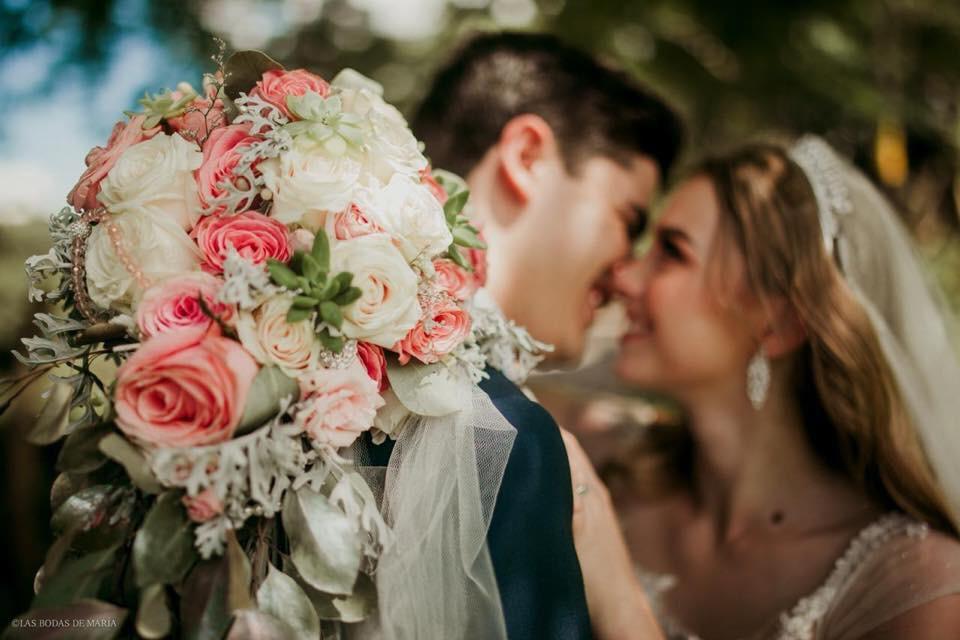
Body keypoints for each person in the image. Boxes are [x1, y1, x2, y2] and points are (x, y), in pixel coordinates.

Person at [564, 136, 960, 639]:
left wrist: (621, 602)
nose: (625, 276)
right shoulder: (609, 477)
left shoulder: (916, 587)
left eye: (671, 252)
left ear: (778, 324)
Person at [364, 31, 683, 640]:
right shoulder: (511, 440)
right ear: (527, 156)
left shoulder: (293, 356)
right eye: (628, 220)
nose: (625, 275)